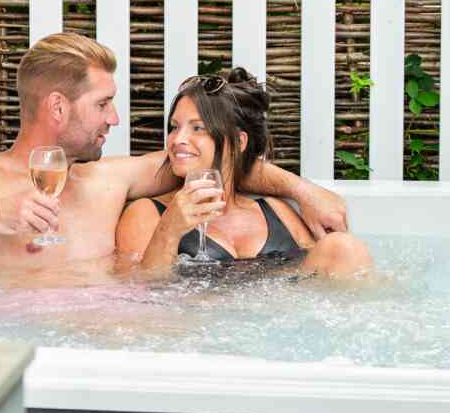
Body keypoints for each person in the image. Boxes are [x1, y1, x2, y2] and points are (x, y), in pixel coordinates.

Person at [0, 33, 347, 272]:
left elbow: (210, 160)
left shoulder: (110, 179)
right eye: (103, 104)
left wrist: (304, 190)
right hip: (32, 352)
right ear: (57, 107)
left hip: (129, 338)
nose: (115, 119)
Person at [116, 68, 372, 277]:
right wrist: (169, 229)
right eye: (174, 128)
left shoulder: (275, 212)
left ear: (239, 142)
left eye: (197, 128)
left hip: (276, 325)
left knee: (342, 247)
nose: (177, 139)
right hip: (196, 327)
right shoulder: (146, 214)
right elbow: (141, 295)